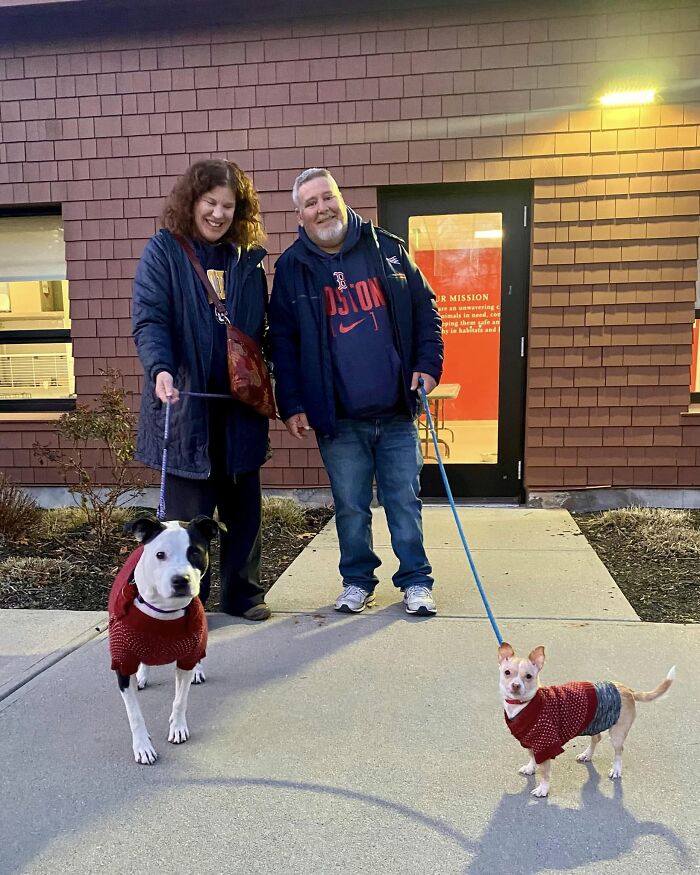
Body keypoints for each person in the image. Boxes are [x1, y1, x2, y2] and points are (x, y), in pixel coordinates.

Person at [269, 168, 443, 616]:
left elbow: (426, 310)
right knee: (350, 506)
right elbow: (283, 344)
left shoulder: (387, 248)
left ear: (341, 198)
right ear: (299, 214)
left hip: (396, 410)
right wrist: (291, 403)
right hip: (339, 418)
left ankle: (416, 581)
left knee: (404, 499)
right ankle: (358, 582)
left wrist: (428, 366)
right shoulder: (291, 268)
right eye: (311, 202)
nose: (322, 207)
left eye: (328, 197)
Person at [131, 158, 272, 621]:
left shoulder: (248, 258)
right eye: (210, 202)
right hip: (186, 406)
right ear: (192, 202)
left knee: (243, 509)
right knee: (188, 521)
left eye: (228, 206)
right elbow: (150, 319)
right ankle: (191, 605)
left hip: (239, 407)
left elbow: (263, 329)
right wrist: (160, 370)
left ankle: (244, 595)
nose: (218, 213)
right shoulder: (164, 251)